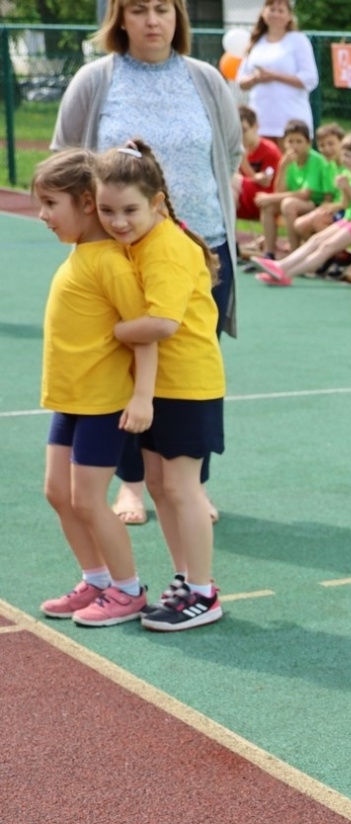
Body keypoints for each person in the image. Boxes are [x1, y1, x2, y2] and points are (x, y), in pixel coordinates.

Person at [50, 0, 241, 527]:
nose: (153, 21)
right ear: (120, 20)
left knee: (188, 370)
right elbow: (66, 159)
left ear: (178, 17)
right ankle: (131, 483)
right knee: (126, 366)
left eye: (163, 9)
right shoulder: (96, 80)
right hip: (120, 254)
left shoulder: (205, 79)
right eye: (138, 10)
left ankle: (190, 483)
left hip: (201, 249)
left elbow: (229, 150)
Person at [97, 141, 229, 632]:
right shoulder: (137, 243)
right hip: (160, 386)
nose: (118, 220)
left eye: (129, 209)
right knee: (156, 484)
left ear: (156, 203)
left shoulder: (166, 248)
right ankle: (184, 579)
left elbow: (161, 323)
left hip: (187, 383)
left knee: (180, 485)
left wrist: (109, 331)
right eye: (107, 210)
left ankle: (202, 591)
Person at [32, 149, 156, 627]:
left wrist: (142, 395)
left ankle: (128, 590)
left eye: (50, 203)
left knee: (87, 499)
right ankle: (97, 579)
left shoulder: (110, 264)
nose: (43, 215)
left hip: (103, 404)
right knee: (57, 493)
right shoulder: (81, 254)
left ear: (86, 203)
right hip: (70, 401)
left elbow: (144, 333)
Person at [255, 135, 351, 284]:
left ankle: (286, 275)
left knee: (326, 246)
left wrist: (348, 188)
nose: (350, 160)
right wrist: (343, 191)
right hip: (350, 218)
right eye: (346, 155)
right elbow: (345, 204)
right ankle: (280, 266)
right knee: (315, 240)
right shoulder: (346, 174)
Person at [251, 119, 336, 258]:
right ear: (284, 143)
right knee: (269, 206)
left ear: (308, 143)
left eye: (299, 141)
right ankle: (269, 252)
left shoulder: (315, 160)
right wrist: (283, 167)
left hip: (318, 204)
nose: (294, 146)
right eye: (290, 141)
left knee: (288, 204)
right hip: (300, 203)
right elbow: (280, 191)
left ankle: (295, 254)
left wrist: (270, 197)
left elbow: (305, 194)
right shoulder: (287, 161)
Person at [236, 0, 317, 142]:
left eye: (280, 11)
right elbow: (241, 81)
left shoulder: (298, 40)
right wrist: (256, 78)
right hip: (261, 122)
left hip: (290, 122)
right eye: (272, 9)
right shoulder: (256, 42)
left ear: (289, 16)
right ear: (263, 13)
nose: (276, 14)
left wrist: (275, 76)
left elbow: (310, 79)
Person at [284, 121, 350, 243]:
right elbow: (328, 196)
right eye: (322, 145)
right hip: (332, 208)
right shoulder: (327, 167)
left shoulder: (350, 167)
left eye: (331, 144)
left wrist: (330, 208)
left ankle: (339, 256)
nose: (326, 149)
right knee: (299, 225)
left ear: (342, 143)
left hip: (348, 210)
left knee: (318, 220)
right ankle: (322, 256)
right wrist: (321, 209)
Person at [233, 104, 281, 227]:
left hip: (264, 199)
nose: (240, 136)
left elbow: (267, 183)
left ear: (256, 127)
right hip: (241, 197)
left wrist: (243, 162)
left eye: (244, 130)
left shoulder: (269, 150)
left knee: (230, 181)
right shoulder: (238, 149)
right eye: (236, 131)